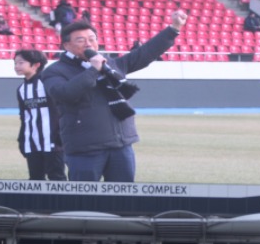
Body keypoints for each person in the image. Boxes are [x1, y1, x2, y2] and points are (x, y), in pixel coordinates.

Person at [41, 10, 188, 183]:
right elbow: (65, 93)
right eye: (81, 41)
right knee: (83, 201)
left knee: (122, 201)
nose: (88, 44)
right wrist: (93, 70)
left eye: (92, 39)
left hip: (121, 146)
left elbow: (144, 54)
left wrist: (174, 29)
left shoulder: (110, 65)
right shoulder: (55, 71)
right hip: (84, 149)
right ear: (66, 46)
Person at [14, 49, 66, 182]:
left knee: (56, 179)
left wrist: (61, 135)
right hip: (32, 143)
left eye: (21, 63)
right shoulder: (21, 89)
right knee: (35, 180)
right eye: (15, 63)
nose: (16, 66)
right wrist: (22, 139)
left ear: (36, 64)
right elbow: (24, 116)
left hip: (54, 142)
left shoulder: (49, 83)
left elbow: (62, 110)